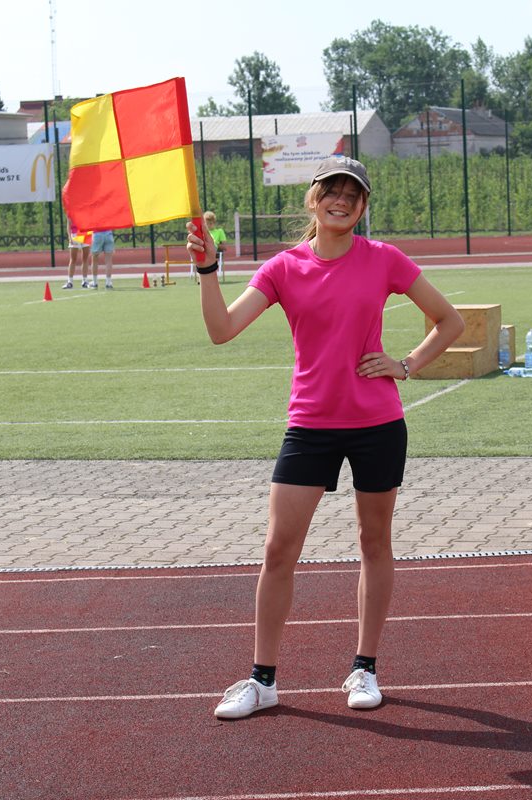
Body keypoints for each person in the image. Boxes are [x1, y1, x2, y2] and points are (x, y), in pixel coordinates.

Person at [186, 156, 464, 720]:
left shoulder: (383, 258)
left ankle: (365, 668)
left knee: (374, 543)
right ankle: (263, 681)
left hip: (377, 423)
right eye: (332, 191)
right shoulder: (283, 267)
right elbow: (221, 330)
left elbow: (450, 321)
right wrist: (208, 269)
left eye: (352, 195)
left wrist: (405, 365)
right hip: (310, 424)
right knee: (278, 550)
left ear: (363, 207)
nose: (342, 201)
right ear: (313, 199)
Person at [63, 224, 93, 289]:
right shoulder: (71, 216)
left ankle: (85, 281)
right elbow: (68, 225)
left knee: (85, 258)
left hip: (85, 234)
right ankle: (70, 281)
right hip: (75, 235)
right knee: (73, 259)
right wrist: (69, 237)